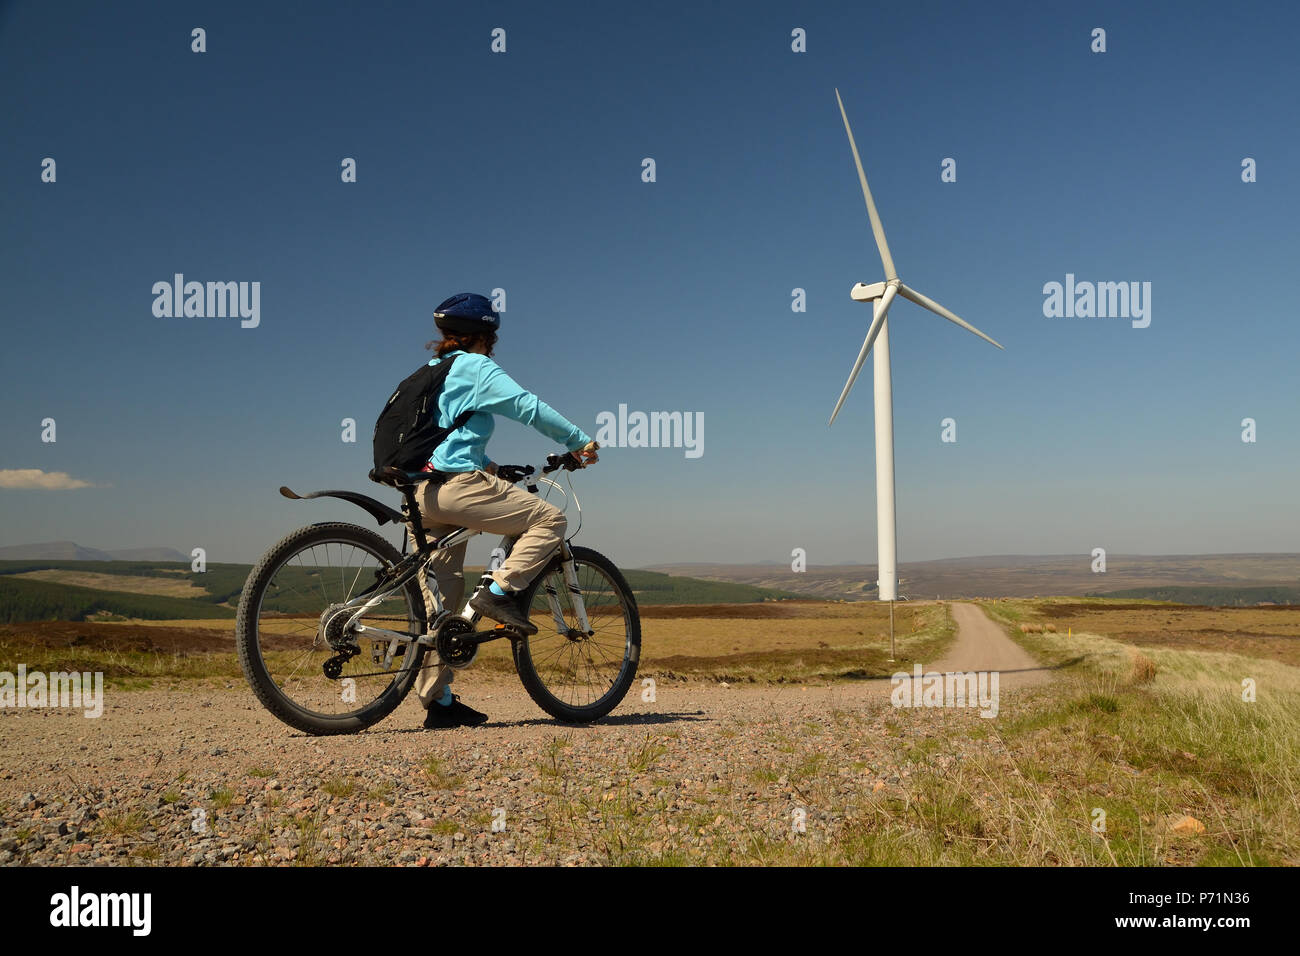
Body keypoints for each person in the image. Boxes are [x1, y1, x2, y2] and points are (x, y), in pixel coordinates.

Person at [407, 293, 599, 729]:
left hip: (418, 492)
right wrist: (577, 441)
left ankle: (439, 704)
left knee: (443, 604)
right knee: (550, 519)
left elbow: (443, 439)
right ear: (487, 337)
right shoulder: (474, 366)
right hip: (454, 489)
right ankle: (498, 594)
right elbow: (526, 407)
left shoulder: (428, 374)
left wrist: (492, 468)